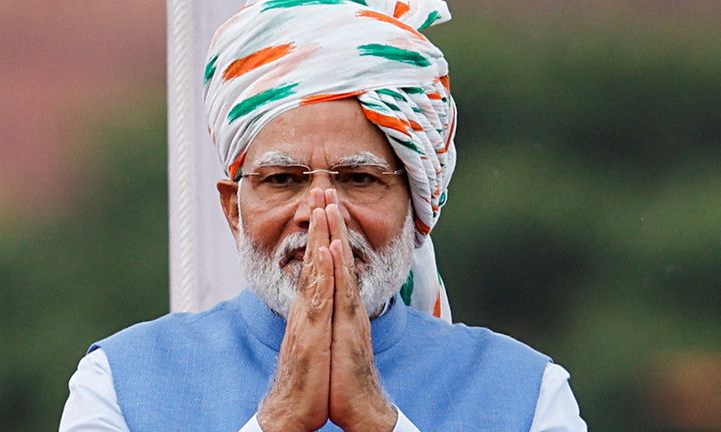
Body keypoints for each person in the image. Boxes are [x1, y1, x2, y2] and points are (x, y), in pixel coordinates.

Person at [60, 0, 587, 430]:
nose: (319, 212)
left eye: (359, 180)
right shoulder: (123, 383)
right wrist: (281, 418)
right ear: (233, 209)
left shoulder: (526, 394)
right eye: (283, 181)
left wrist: (377, 420)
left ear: (418, 205)